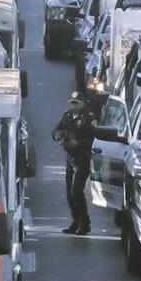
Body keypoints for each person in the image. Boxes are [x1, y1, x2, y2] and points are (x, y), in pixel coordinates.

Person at [52, 92, 97, 235]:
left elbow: (95, 139)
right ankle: (76, 221)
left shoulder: (89, 118)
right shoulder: (67, 115)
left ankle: (84, 223)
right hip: (70, 158)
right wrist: (58, 135)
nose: (75, 105)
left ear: (83, 102)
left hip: (83, 157)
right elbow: (56, 130)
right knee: (69, 193)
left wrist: (79, 143)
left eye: (77, 102)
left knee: (76, 191)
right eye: (73, 102)